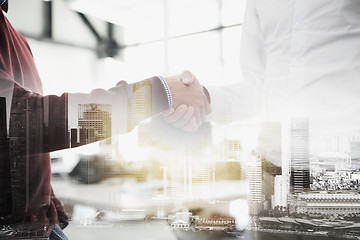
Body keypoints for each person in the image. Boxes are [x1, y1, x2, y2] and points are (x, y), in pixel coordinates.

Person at [0, 1, 210, 239]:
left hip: (37, 224)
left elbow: (26, 142)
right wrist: (156, 95)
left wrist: (48, 201)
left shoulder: (14, 36)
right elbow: (23, 120)